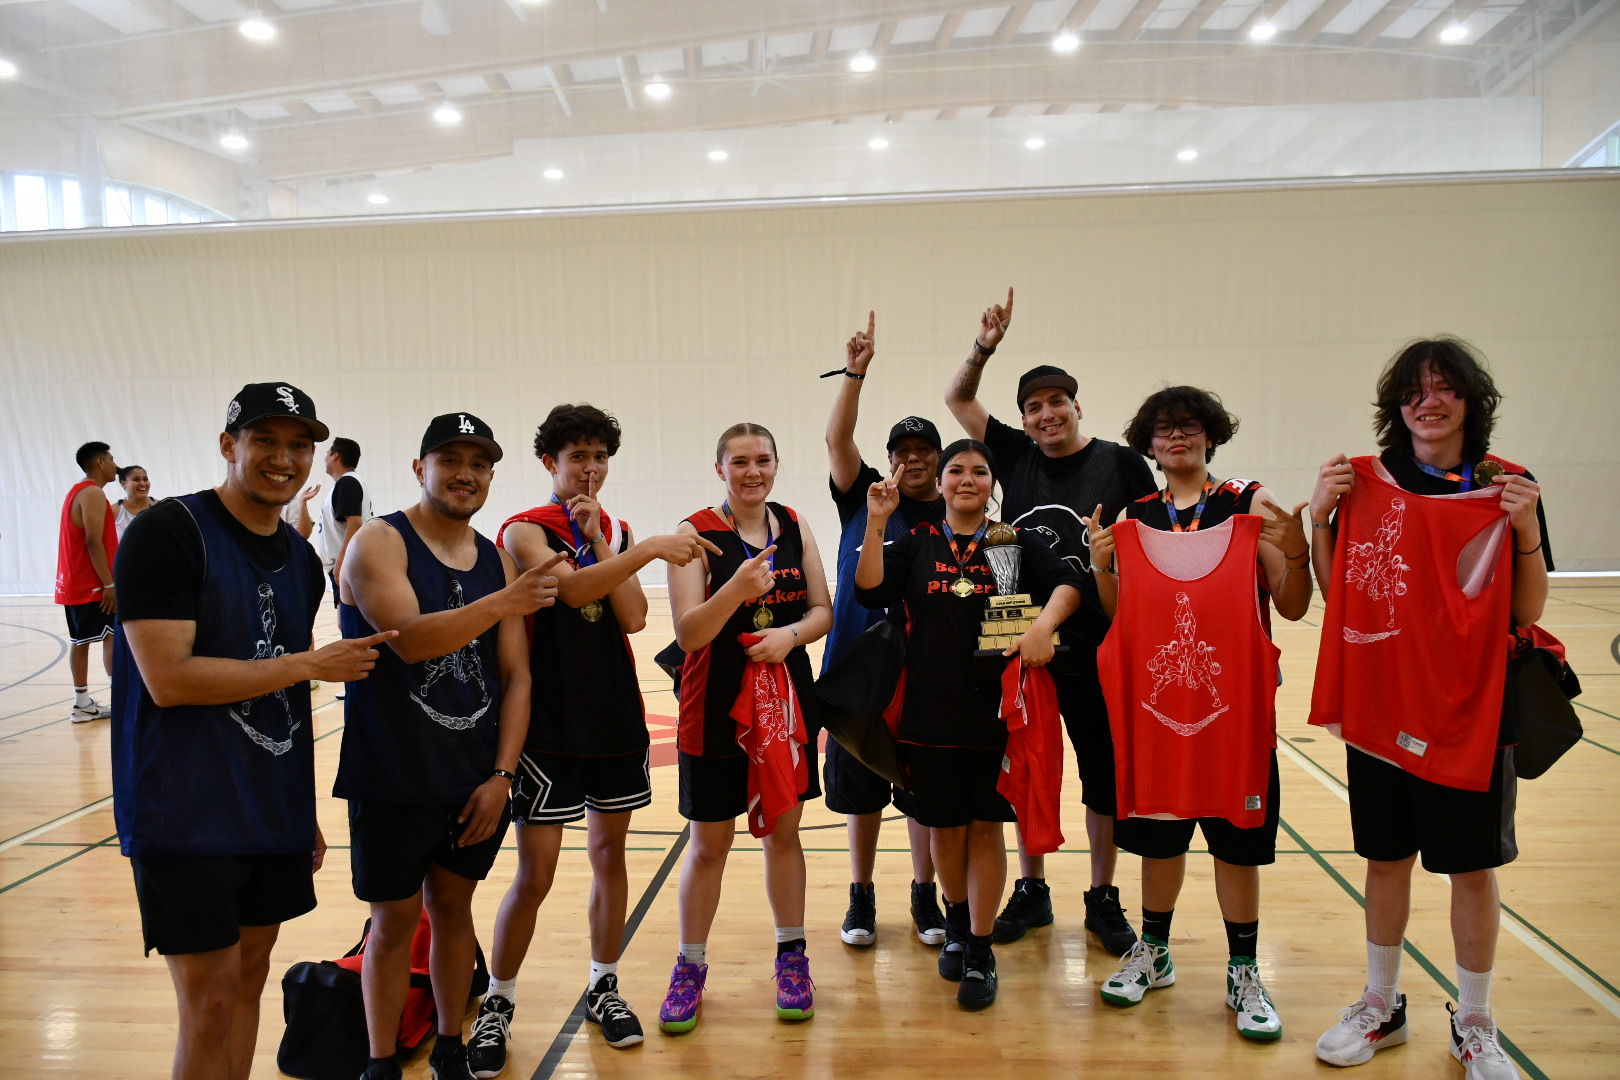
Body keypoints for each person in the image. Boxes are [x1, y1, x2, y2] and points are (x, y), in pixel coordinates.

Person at [111, 382, 391, 1080]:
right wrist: (311, 664)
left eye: (300, 445)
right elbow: (168, 678)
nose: (284, 458)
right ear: (228, 445)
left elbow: (280, 692)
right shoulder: (169, 532)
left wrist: (301, 809)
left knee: (249, 983)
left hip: (268, 810)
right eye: (265, 440)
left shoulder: (300, 562)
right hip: (184, 812)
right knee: (207, 1007)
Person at [1309, 340, 1548, 1080]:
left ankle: (1474, 1019)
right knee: (1387, 860)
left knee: (1471, 869)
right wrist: (1320, 516)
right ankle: (1382, 1003)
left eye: (1445, 389)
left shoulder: (1506, 483)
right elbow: (1335, 589)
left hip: (1469, 709)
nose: (1430, 401)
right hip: (1382, 703)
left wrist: (1527, 530)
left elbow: (1527, 610)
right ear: (1398, 406)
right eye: (1416, 391)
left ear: (1470, 402)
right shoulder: (1364, 482)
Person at [470, 404, 719, 1069]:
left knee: (611, 860)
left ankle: (603, 985)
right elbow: (570, 589)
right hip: (548, 725)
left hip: (613, 719)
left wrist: (613, 543)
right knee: (537, 874)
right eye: (575, 455)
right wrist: (642, 551)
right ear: (548, 462)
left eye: (599, 456)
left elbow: (634, 617)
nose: (589, 468)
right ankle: (497, 1001)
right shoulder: (523, 529)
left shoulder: (614, 527)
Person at [335, 413, 558, 1080]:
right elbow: (411, 638)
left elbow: (518, 677)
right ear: (419, 468)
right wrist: (505, 601)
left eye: (479, 462)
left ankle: (451, 1047)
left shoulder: (497, 559)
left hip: (473, 780)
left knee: (454, 911)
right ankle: (380, 1061)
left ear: (491, 474)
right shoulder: (379, 543)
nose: (465, 473)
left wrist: (502, 776)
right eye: (450, 459)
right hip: (392, 774)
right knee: (393, 920)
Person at [1087, 386, 1311, 1040]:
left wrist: (1295, 552)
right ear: (1148, 444)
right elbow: (1119, 615)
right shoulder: (1135, 514)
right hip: (1159, 713)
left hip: (1235, 714)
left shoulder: (1249, 501)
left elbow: (1293, 605)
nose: (1176, 436)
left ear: (1210, 435)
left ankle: (1244, 968)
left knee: (1235, 844)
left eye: (1188, 426)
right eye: (1163, 429)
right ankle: (1153, 952)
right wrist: (1102, 566)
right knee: (1159, 834)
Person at [943, 287, 1156, 951]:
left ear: (1076, 406)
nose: (1046, 415)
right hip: (1018, 637)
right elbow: (958, 399)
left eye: (1056, 402)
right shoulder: (1012, 454)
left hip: (1095, 639)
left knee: (1101, 770)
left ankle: (1101, 894)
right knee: (1023, 769)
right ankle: (1030, 889)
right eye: (1033, 407)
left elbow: (1152, 539)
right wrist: (984, 347)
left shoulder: (1117, 461)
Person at [855, 438, 1081, 1009]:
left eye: (979, 471)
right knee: (943, 832)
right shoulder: (918, 541)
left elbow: (1069, 586)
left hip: (994, 714)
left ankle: (980, 949)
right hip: (929, 715)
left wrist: (1041, 628)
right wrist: (877, 523)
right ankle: (956, 924)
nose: (967, 479)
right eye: (956, 470)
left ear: (991, 483)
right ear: (941, 482)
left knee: (985, 829)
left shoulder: (1015, 540)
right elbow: (871, 587)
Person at [658, 423, 833, 1034]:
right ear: (720, 469)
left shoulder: (795, 524)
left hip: (783, 699)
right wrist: (735, 590)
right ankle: (690, 966)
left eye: (763, 460)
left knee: (783, 833)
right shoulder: (694, 534)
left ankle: (791, 957)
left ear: (778, 466)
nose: (752, 471)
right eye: (740, 462)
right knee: (709, 845)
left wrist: (790, 636)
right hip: (714, 705)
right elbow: (689, 633)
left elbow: (822, 611)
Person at [821, 311, 947, 949]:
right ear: (891, 460)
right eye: (903, 452)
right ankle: (862, 893)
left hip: (923, 679)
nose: (914, 460)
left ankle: (925, 893)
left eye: (927, 452)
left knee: (921, 794)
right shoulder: (865, 496)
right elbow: (838, 438)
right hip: (857, 672)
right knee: (861, 795)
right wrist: (855, 374)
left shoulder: (954, 514)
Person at [57, 441, 120, 722]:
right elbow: (93, 542)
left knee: (81, 641)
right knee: (111, 637)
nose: (115, 465)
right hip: (92, 584)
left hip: (75, 582)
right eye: (111, 458)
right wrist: (108, 585)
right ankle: (119, 698)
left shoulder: (77, 491)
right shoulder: (92, 493)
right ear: (99, 463)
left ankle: (82, 702)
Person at [297, 436, 372, 606]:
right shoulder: (346, 483)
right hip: (346, 567)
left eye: (327, 453)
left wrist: (341, 561)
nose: (325, 458)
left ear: (335, 456)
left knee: (352, 625)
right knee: (343, 621)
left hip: (348, 567)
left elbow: (354, 523)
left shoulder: (347, 483)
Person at [114, 465, 153, 538]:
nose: (143, 484)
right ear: (123, 483)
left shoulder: (162, 506)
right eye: (136, 479)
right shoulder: (114, 511)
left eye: (145, 479)